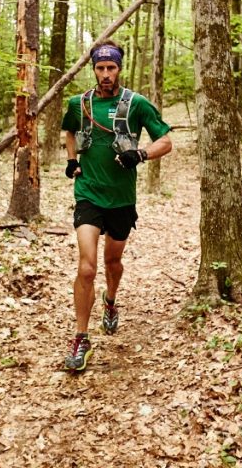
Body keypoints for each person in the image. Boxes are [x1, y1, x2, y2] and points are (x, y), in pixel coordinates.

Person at [59, 40, 173, 371]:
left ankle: (110, 301)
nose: (106, 74)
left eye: (111, 68)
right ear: (92, 69)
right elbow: (69, 131)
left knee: (112, 263)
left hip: (122, 198)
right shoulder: (78, 103)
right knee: (86, 266)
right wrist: (71, 161)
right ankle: (81, 337)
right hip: (88, 194)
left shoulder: (136, 104)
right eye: (100, 68)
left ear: (119, 68)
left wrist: (141, 153)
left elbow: (165, 141)